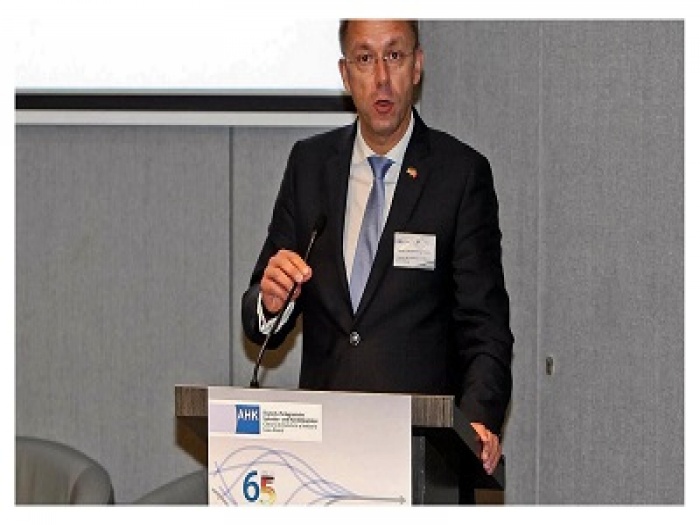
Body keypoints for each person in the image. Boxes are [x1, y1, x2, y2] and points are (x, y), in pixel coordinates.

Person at [241, 19, 513, 498]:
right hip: (322, 459)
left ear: (417, 66)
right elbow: (260, 311)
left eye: (395, 55)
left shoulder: (460, 174)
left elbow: (485, 327)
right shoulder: (309, 165)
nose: (382, 78)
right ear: (345, 74)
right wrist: (269, 301)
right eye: (365, 59)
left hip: (423, 458)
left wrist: (476, 420)